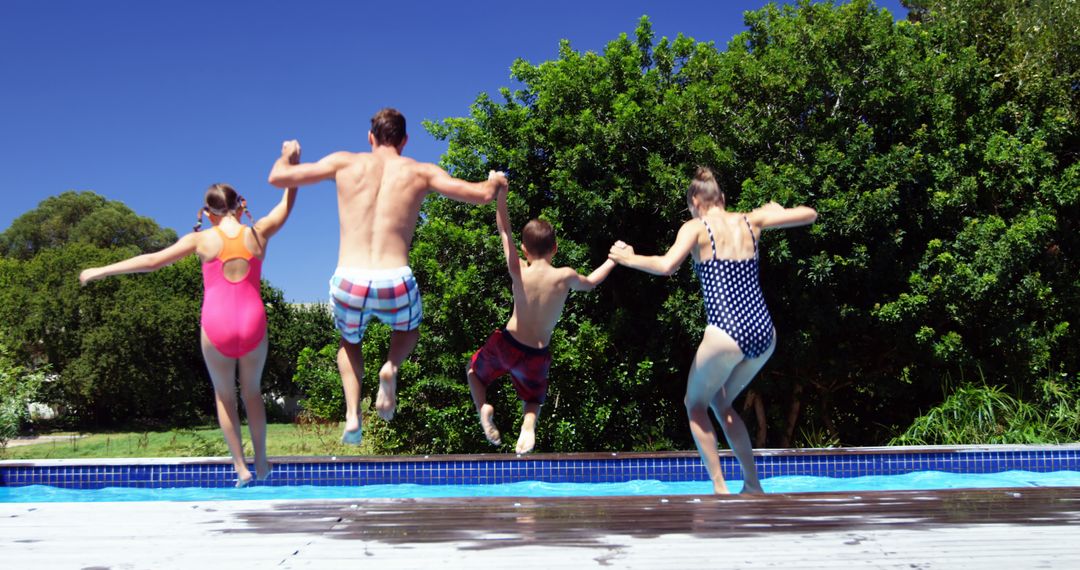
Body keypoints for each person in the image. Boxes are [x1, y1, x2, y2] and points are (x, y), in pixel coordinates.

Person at [267, 107, 506, 445]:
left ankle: (352, 413)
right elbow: (482, 195)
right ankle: (391, 366)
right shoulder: (421, 172)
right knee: (408, 330)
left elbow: (277, 177)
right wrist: (494, 182)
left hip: (349, 278)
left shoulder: (344, 162)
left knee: (349, 342)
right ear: (405, 140)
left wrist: (287, 156)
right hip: (395, 277)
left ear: (370, 138)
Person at [607, 167, 816, 494]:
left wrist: (629, 258)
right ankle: (752, 486)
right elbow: (809, 214)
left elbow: (666, 266)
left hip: (726, 331)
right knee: (721, 403)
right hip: (763, 333)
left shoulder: (695, 227)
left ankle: (720, 488)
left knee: (695, 404)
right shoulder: (751, 220)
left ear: (695, 201)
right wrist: (776, 212)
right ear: (723, 199)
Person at [80, 183, 298, 487]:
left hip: (216, 323)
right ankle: (261, 462)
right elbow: (286, 206)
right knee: (252, 392)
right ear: (240, 205)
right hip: (253, 321)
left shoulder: (201, 239)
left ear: (208, 214)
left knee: (224, 396)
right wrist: (292, 170)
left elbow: (152, 262)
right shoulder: (257, 233)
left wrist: (101, 270)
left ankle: (241, 468)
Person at [467, 184, 617, 454]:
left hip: (506, 343)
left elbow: (504, 230)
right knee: (534, 397)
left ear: (524, 249)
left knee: (474, 373)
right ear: (555, 248)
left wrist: (501, 195)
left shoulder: (518, 269)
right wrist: (613, 260)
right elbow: (592, 282)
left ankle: (483, 408)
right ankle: (528, 425)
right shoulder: (565, 276)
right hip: (536, 353)